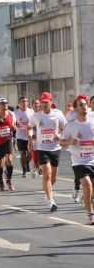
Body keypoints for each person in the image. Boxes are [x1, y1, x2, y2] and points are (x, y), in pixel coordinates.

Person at [28, 92, 66, 212]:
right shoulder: (36, 116)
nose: (44, 104)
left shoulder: (58, 114)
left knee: (53, 177)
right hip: (42, 148)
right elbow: (29, 127)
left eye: (46, 102)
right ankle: (51, 201)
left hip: (55, 148)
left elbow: (66, 128)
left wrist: (59, 135)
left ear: (51, 102)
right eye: (42, 102)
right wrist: (31, 135)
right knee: (47, 174)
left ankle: (46, 191)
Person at [61, 95, 94, 224]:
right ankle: (90, 215)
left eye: (85, 104)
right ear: (76, 108)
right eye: (80, 104)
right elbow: (62, 142)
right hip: (79, 161)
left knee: (91, 190)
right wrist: (71, 141)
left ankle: (88, 203)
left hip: (93, 159)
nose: (84, 106)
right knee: (87, 184)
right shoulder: (71, 125)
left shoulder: (92, 121)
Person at [15, 97, 34, 178]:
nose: (24, 103)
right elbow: (13, 123)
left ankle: (26, 163)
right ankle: (24, 170)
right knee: (23, 153)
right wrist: (16, 125)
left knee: (30, 154)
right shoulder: (15, 113)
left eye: (26, 101)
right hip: (20, 136)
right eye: (23, 102)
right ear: (19, 103)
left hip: (30, 135)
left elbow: (34, 122)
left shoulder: (31, 111)